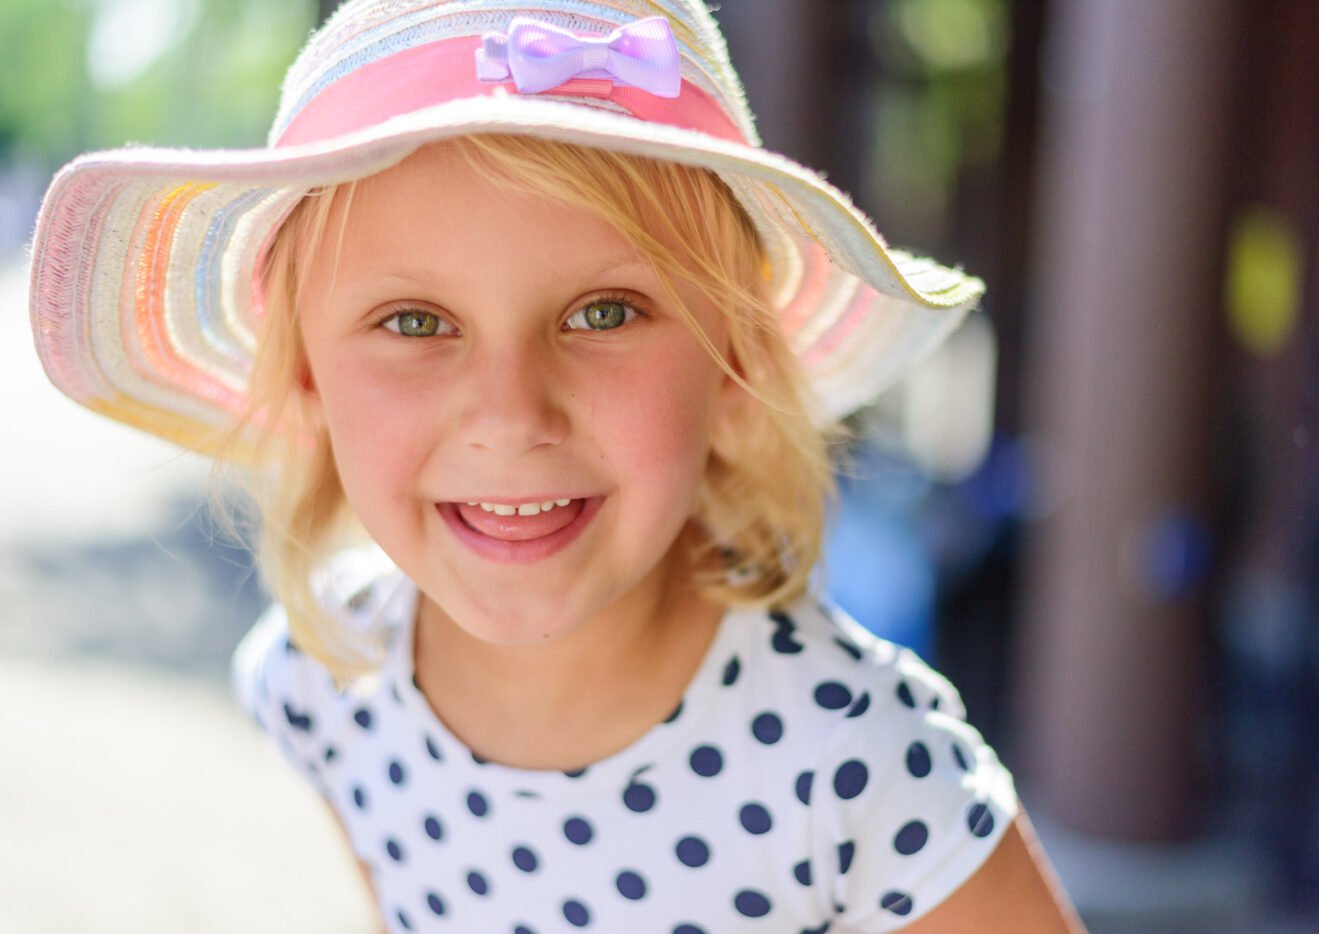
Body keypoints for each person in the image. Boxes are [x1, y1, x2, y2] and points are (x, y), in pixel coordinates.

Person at [29, 1, 1085, 930]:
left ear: (731, 365)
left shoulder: (863, 769)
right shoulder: (325, 685)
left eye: (604, 312)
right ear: (308, 378)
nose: (510, 416)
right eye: (415, 321)